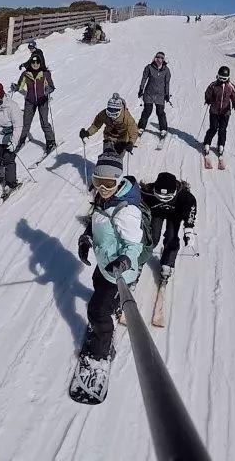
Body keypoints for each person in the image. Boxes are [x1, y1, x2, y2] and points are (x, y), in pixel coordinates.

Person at [77, 152, 148, 364]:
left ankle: (102, 350)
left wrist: (125, 260)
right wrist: (86, 237)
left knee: (97, 312)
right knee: (96, 281)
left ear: (118, 181)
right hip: (105, 262)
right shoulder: (103, 197)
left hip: (119, 271)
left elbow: (134, 245)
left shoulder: (127, 210)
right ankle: (113, 304)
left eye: (108, 184)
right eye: (98, 182)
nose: (103, 189)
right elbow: (97, 220)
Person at [140, 172, 197, 283]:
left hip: (175, 215)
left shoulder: (184, 196)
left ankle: (168, 263)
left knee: (172, 237)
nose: (163, 199)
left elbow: (190, 209)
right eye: (160, 196)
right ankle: (141, 257)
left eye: (167, 197)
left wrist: (189, 229)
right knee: (152, 237)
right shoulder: (147, 192)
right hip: (157, 214)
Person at [11, 53, 56, 153]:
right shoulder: (26, 74)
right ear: (30, 63)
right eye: (33, 62)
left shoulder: (45, 74)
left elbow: (52, 86)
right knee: (25, 123)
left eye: (37, 62)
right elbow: (20, 85)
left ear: (41, 63)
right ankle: (21, 141)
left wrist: (49, 89)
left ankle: (51, 142)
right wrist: (16, 87)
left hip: (42, 101)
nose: (35, 64)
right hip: (30, 101)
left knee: (44, 122)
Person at [202, 65, 235, 157]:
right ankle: (207, 143)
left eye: (224, 78)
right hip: (214, 111)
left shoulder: (231, 86)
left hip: (225, 112)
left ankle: (221, 145)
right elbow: (207, 93)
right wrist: (208, 99)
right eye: (220, 78)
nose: (222, 80)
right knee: (213, 128)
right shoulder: (213, 85)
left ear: (228, 78)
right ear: (217, 76)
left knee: (222, 129)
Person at [137, 51, 171, 138]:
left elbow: (167, 83)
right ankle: (141, 127)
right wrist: (141, 89)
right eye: (157, 57)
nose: (159, 59)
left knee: (160, 112)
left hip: (160, 95)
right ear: (155, 58)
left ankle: (163, 129)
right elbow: (144, 79)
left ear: (163, 60)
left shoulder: (166, 70)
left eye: (161, 58)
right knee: (147, 111)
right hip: (149, 93)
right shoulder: (149, 67)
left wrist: (167, 94)